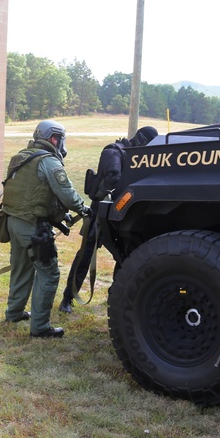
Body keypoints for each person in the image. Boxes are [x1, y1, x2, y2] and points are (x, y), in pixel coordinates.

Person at [1, 119, 89, 338]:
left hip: (12, 221)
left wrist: (59, 214)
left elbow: (32, 192)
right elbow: (68, 195)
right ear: (54, 139)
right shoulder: (49, 162)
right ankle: (40, 327)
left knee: (21, 268)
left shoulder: (21, 156)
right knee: (49, 273)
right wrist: (84, 209)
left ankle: (14, 312)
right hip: (32, 227)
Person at [59, 125, 158, 313]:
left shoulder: (136, 157)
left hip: (122, 215)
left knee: (125, 257)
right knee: (85, 256)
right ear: (141, 140)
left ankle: (115, 295)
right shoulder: (114, 151)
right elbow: (114, 177)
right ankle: (68, 298)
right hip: (101, 213)